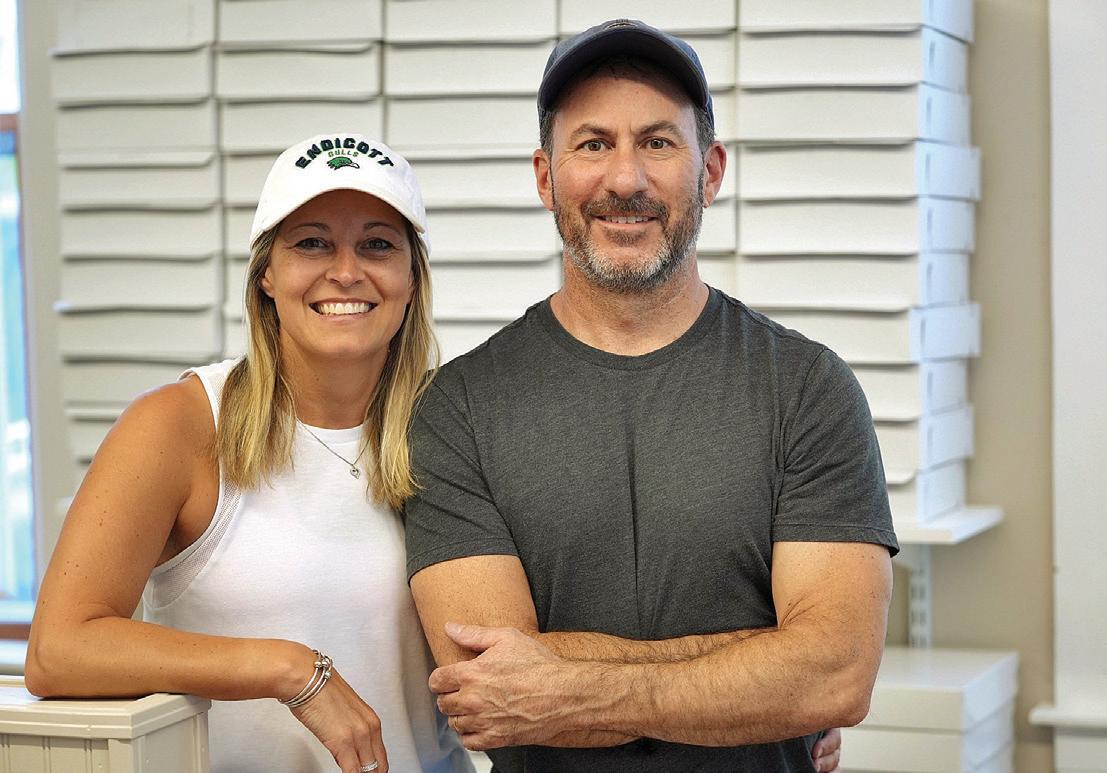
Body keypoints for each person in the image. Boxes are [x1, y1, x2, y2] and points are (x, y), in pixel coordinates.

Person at [404, 19, 898, 773]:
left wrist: (566, 683)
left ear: (711, 171)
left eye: (659, 142)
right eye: (592, 144)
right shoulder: (458, 407)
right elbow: (489, 693)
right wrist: (763, 661)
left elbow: (834, 673)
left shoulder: (807, 389)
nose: (625, 179)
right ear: (545, 177)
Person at [24, 133, 473, 773]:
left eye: (377, 244)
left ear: (411, 278)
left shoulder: (454, 426)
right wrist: (289, 669)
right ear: (267, 274)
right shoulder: (180, 423)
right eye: (311, 243)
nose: (346, 272)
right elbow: (59, 650)